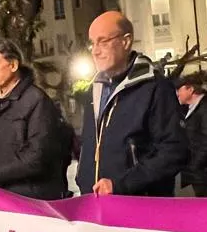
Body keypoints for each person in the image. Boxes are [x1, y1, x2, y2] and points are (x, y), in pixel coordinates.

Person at [76, 12, 188, 197]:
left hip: (139, 207)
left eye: (103, 41)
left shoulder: (155, 87)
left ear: (126, 42)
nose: (95, 51)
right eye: (92, 43)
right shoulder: (94, 90)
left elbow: (174, 151)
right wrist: (84, 178)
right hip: (95, 203)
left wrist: (122, 185)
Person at [0, 38, 71, 201]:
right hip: (1, 200)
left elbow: (37, 158)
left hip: (30, 202)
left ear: (13, 65)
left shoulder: (37, 101)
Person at [176, 76, 207, 197]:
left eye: (179, 89)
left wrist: (194, 165)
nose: (177, 93)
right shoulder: (189, 108)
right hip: (198, 171)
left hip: (205, 172)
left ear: (190, 89)